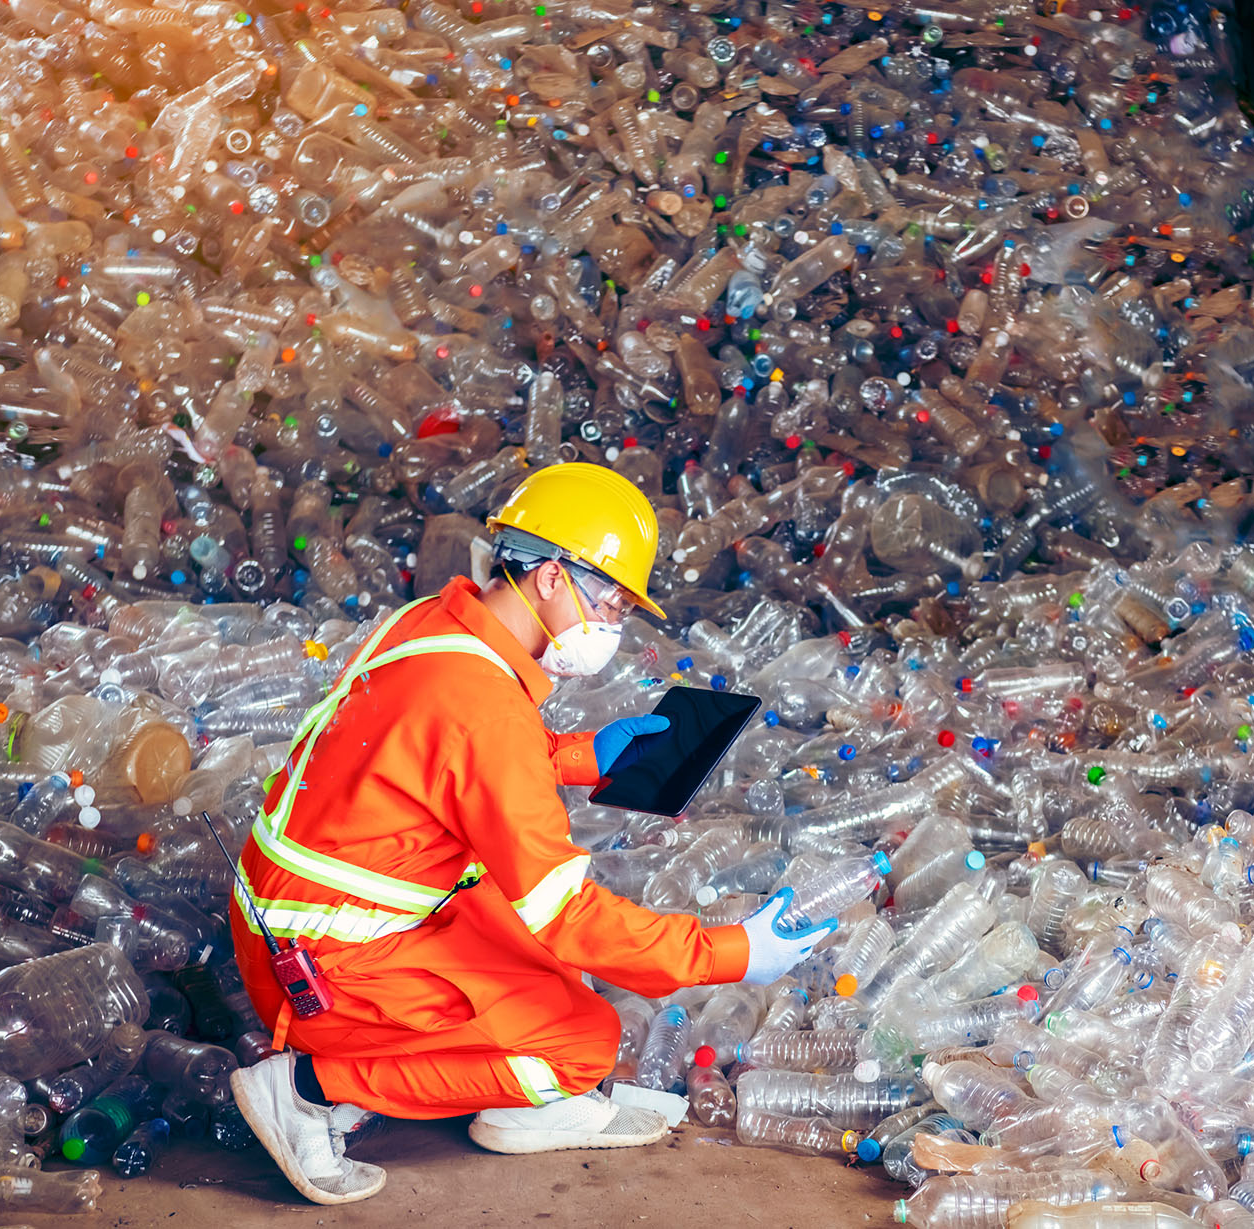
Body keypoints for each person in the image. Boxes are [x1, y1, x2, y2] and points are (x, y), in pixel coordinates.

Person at [226, 463, 834, 1205]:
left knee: (542, 963)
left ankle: (519, 1089)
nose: (611, 623)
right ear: (550, 578)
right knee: (584, 1037)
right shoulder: (483, 704)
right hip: (322, 971)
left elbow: (439, 759)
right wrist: (732, 952)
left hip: (303, 917)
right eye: (610, 601)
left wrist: (580, 755)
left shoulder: (433, 623)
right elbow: (565, 909)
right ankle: (311, 1088)